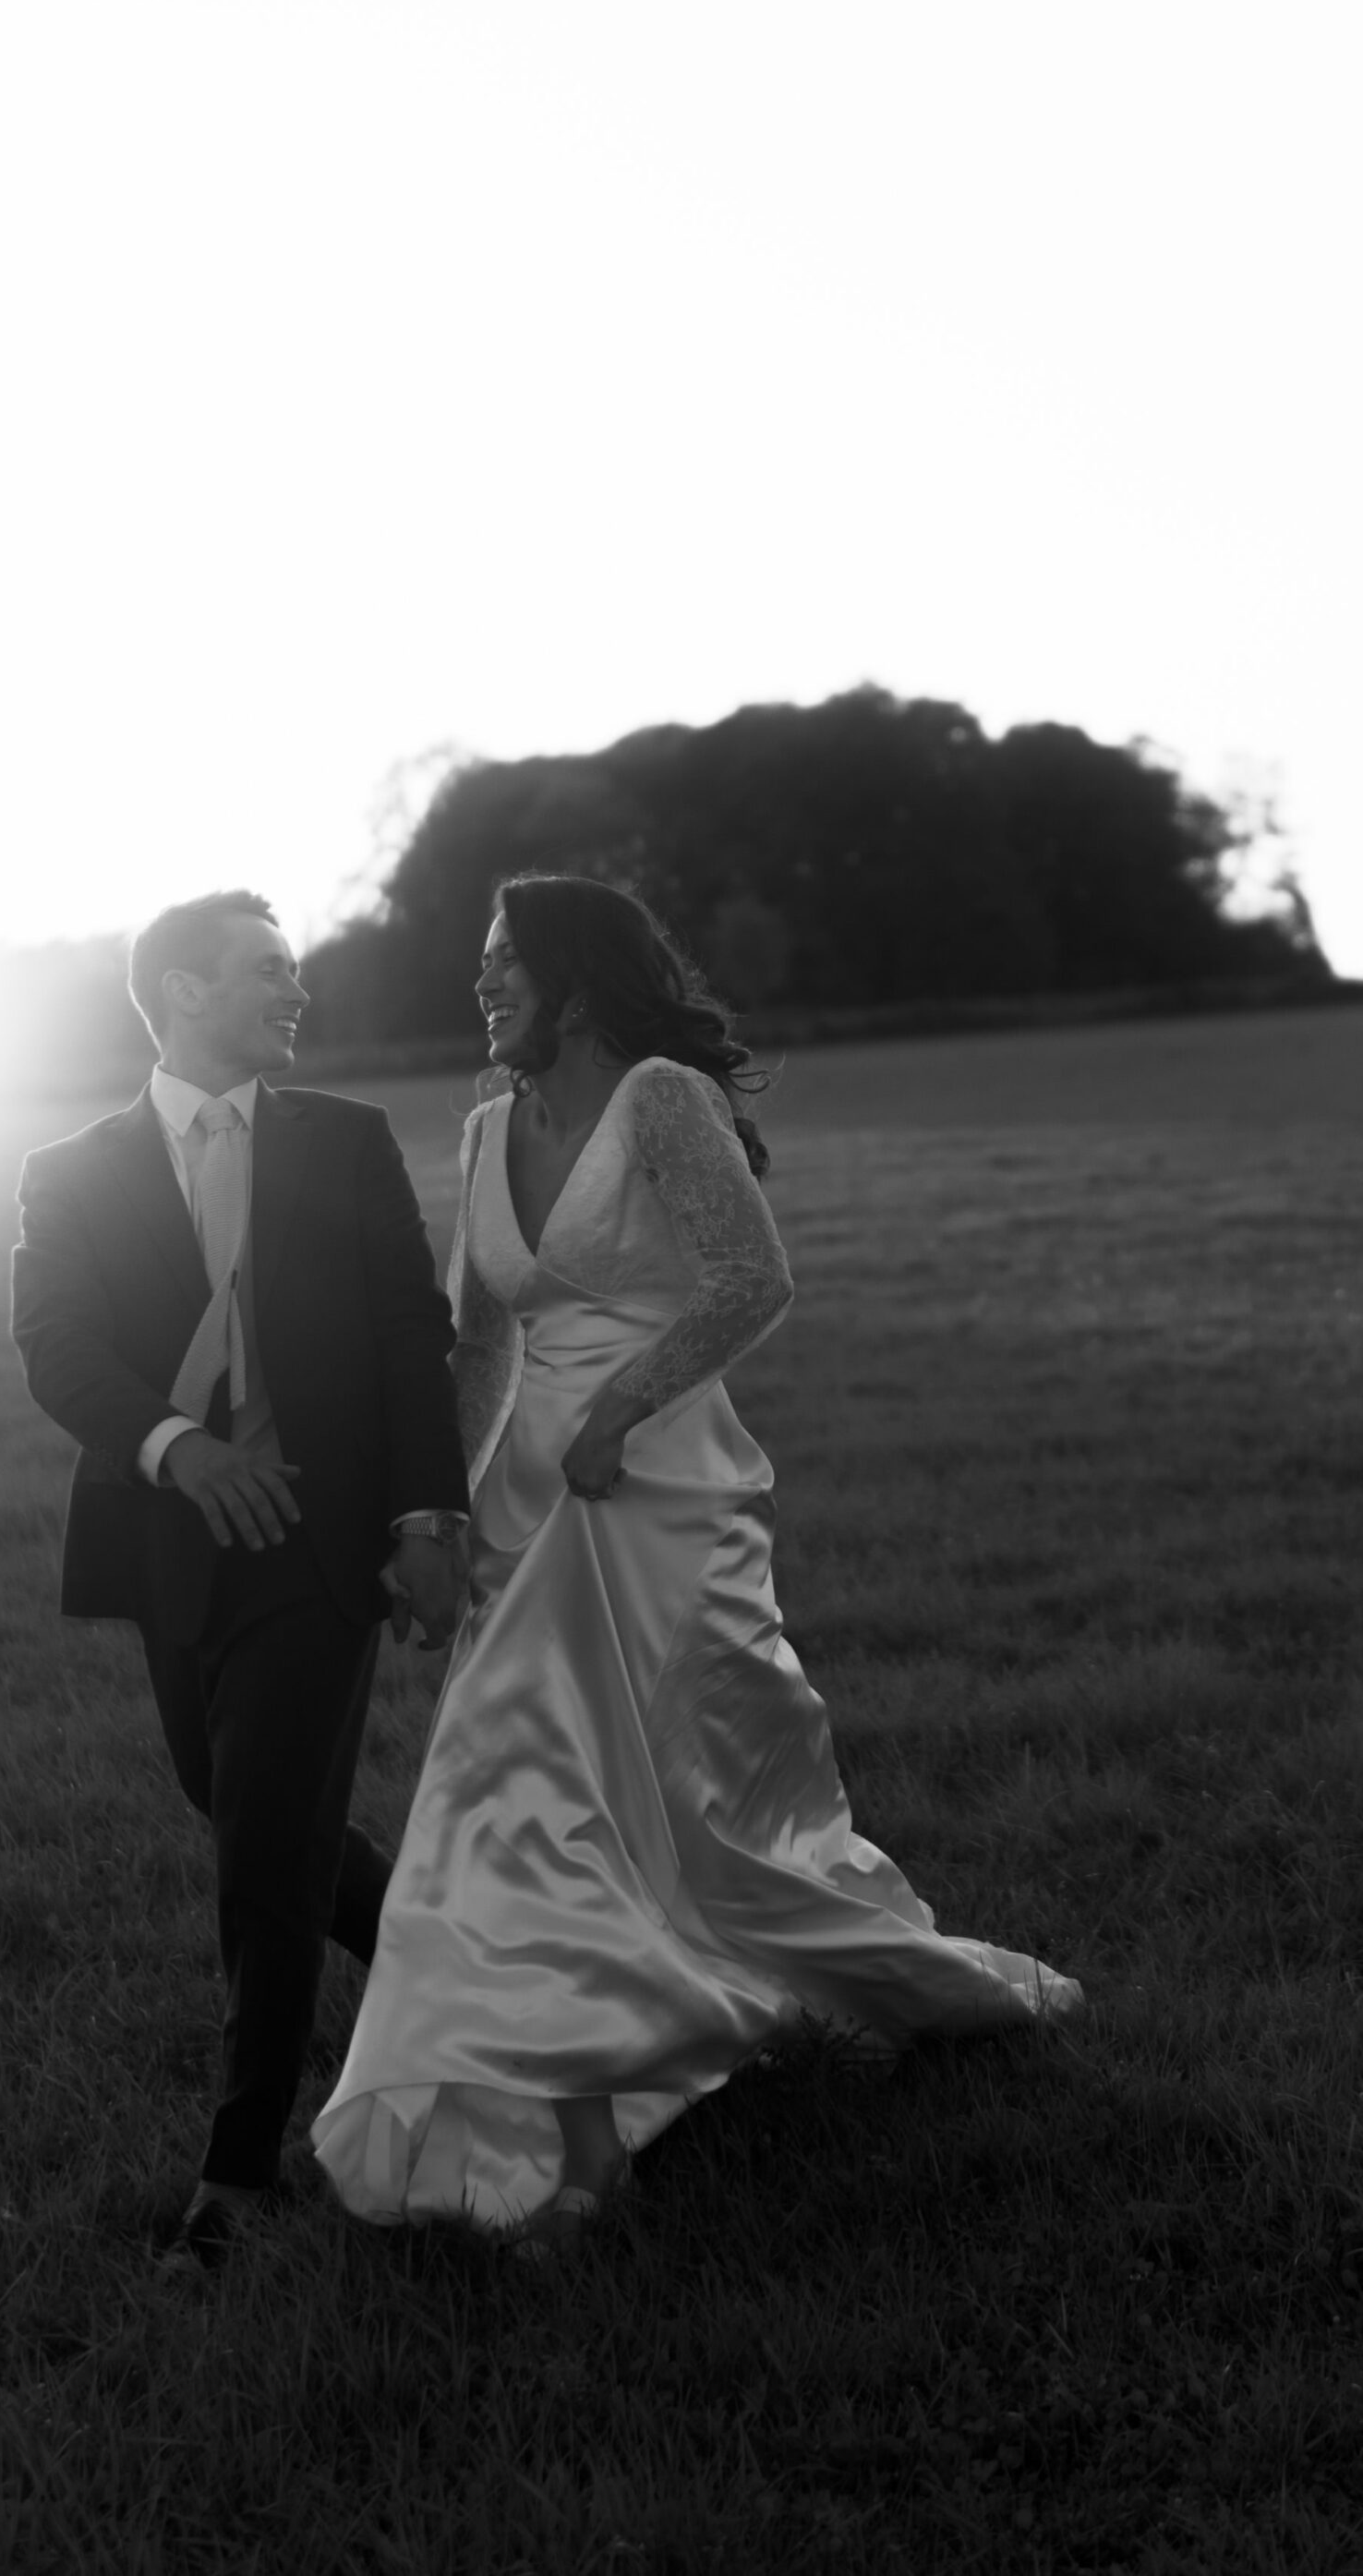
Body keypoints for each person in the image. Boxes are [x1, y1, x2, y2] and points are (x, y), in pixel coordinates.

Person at [311, 872, 1082, 2250]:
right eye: (478, 966)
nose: (479, 986)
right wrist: (454, 1513)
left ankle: (735, 2013)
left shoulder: (663, 1097)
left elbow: (751, 1280)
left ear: (579, 980)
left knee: (677, 1808)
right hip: (532, 1506)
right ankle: (583, 2139)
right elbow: (483, 1346)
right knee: (519, 1791)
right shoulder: (485, 1131)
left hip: (663, 1488)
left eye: (501, 964)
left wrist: (619, 1409)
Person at [11, 890, 469, 2267]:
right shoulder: (70, 1170)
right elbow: (58, 1350)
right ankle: (452, 1966)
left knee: (264, 1849)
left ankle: (242, 2168)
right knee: (233, 1802)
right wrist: (175, 1452)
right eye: (269, 971)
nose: (296, 992)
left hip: (325, 1546)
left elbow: (408, 1333)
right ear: (183, 991)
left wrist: (427, 1516)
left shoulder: (345, 1139)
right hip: (172, 1543)